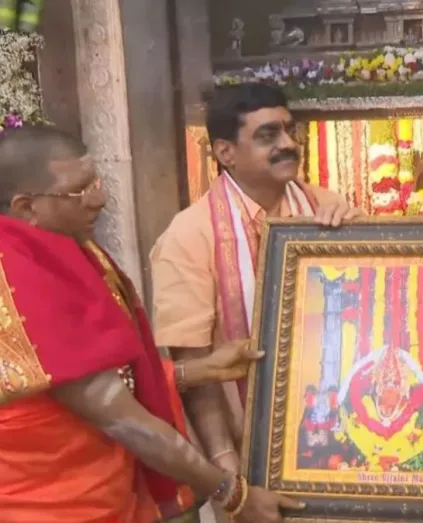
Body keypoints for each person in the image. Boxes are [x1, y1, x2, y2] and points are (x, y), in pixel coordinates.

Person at [0, 124, 304, 522]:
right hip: (48, 507)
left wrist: (200, 370)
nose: (100, 199)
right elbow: (119, 416)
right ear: (26, 208)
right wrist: (233, 495)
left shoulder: (65, 250)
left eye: (96, 182)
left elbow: (92, 375)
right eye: (79, 191)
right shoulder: (17, 277)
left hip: (106, 495)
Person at [150, 83, 361, 480]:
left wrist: (360, 242)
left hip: (340, 442)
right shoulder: (189, 235)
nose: (288, 144)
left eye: (289, 130)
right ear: (225, 152)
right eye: (268, 135)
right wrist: (229, 470)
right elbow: (195, 368)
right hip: (250, 450)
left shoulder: (326, 206)